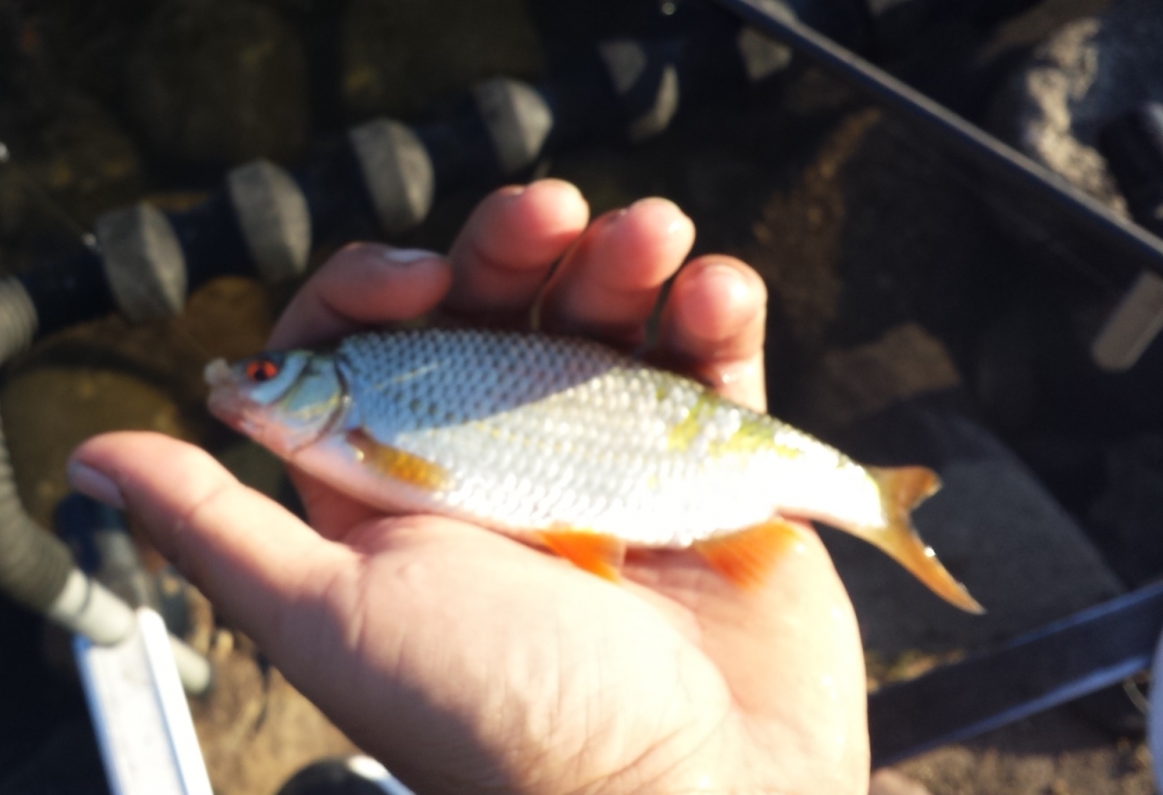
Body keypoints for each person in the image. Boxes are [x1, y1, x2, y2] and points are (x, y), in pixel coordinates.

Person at [67, 180, 871, 795]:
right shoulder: (347, 430)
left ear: (322, 386)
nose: (246, 384)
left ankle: (878, 503)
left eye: (264, 374)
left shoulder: (356, 427)